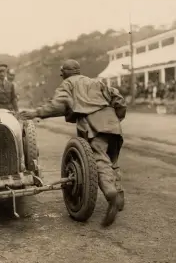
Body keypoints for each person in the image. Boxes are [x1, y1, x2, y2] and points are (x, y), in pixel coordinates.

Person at [20, 59, 126, 227]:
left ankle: (111, 193)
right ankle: (119, 195)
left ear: (66, 73)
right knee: (111, 160)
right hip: (112, 124)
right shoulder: (95, 81)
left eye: (62, 73)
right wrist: (116, 118)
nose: (61, 75)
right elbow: (118, 98)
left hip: (94, 126)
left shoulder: (67, 84)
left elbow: (57, 105)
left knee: (99, 160)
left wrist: (35, 113)